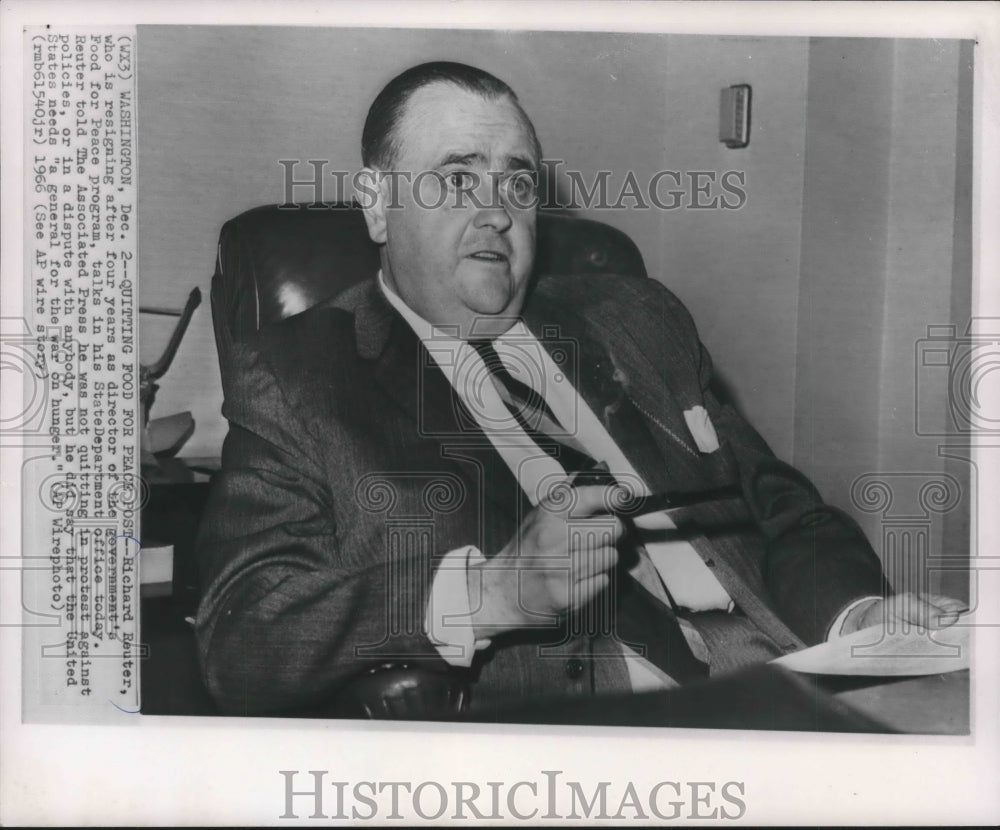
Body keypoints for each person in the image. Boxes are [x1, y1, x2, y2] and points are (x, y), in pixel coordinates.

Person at [194, 61, 964, 718]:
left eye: (516, 181)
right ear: (376, 204)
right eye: (457, 178)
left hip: (802, 675)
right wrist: (494, 592)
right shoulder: (299, 376)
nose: (496, 212)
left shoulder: (640, 316)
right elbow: (242, 629)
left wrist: (862, 617)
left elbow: (781, 508)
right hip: (606, 729)